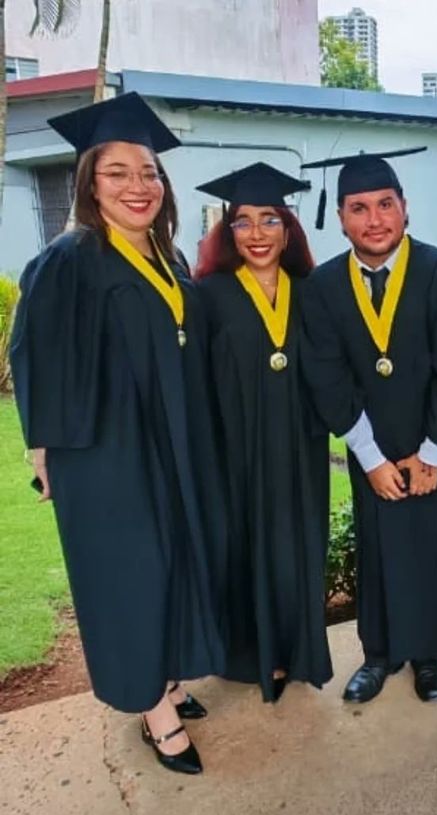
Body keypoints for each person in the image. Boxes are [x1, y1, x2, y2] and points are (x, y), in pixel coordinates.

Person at [11, 93, 228, 775]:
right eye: (118, 173)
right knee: (129, 576)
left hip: (175, 448)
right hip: (107, 456)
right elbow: (34, 357)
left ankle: (165, 676)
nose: (138, 186)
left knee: (176, 562)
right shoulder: (68, 261)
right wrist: (43, 450)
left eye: (149, 172)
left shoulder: (172, 260)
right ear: (89, 182)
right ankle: (153, 711)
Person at [300, 148, 437, 704]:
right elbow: (327, 377)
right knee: (377, 550)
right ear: (341, 218)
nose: (374, 219)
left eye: (385, 204)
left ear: (405, 208)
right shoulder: (323, 287)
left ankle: (429, 657)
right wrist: (372, 458)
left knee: (432, 547)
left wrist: (433, 453)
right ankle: (379, 654)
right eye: (359, 208)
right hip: (370, 448)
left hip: (434, 449)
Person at [194, 163, 333, 702]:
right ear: (228, 232)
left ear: (287, 229)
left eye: (268, 220)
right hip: (238, 451)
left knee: (298, 548)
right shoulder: (208, 297)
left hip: (300, 448)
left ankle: (297, 651)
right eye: (243, 222)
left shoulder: (311, 291)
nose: (256, 234)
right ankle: (251, 654)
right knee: (245, 547)